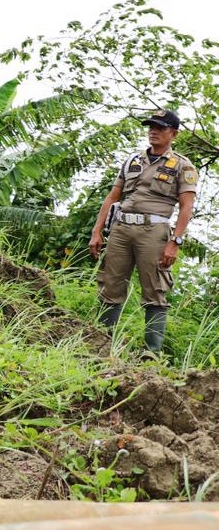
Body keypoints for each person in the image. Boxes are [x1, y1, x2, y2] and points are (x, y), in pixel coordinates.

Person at [90, 110, 197, 353]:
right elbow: (112, 197)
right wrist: (97, 231)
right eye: (151, 126)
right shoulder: (132, 161)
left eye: (160, 127)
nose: (153, 131)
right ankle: (100, 347)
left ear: (173, 133)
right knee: (110, 285)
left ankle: (151, 355)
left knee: (155, 291)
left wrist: (175, 241)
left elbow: (186, 206)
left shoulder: (182, 166)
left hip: (154, 231)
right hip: (121, 228)